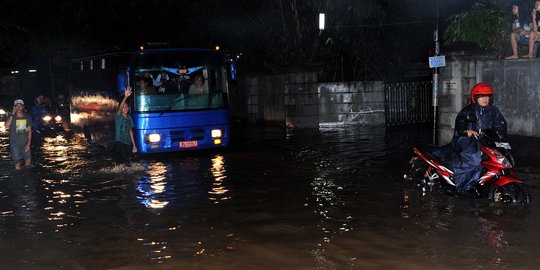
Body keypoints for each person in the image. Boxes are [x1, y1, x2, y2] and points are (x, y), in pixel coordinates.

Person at [451, 83, 507, 196]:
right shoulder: (468, 111)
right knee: (474, 158)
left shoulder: (493, 111)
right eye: (481, 96)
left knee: (501, 156)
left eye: (487, 96)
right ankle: (464, 187)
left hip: (485, 140)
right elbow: (460, 123)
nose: (485, 99)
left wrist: (499, 135)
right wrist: (466, 131)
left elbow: (501, 124)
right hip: (466, 140)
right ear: (475, 98)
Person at [5, 99, 32, 170]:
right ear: (14, 107)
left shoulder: (27, 117)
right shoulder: (11, 116)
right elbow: (6, 126)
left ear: (23, 107)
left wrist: (28, 143)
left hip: (25, 143)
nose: (18, 107)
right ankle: (17, 178)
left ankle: (26, 178)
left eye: (20, 106)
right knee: (17, 164)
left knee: (28, 163)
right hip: (14, 144)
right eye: (17, 106)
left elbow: (29, 131)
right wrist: (12, 114)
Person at [115, 86, 137, 166]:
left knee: (129, 160)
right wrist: (125, 97)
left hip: (128, 142)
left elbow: (130, 131)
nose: (125, 108)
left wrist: (134, 145)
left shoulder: (129, 117)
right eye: (124, 107)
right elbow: (120, 109)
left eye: (126, 107)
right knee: (126, 162)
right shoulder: (118, 116)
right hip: (119, 142)